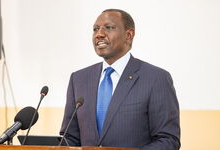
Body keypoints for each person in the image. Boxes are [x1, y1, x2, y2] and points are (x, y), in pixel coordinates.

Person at [60, 9, 180, 150]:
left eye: (109, 28)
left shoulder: (156, 78)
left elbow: (168, 140)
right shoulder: (79, 79)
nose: (99, 34)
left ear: (128, 35)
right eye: (95, 29)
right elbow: (70, 138)